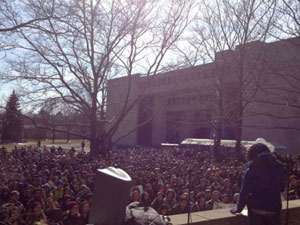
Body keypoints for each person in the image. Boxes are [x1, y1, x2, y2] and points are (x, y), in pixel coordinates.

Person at [230, 143, 285, 225]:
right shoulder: (278, 168)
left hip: (256, 211)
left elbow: (244, 192)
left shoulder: (251, 170)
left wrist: (238, 209)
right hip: (274, 211)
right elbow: (282, 188)